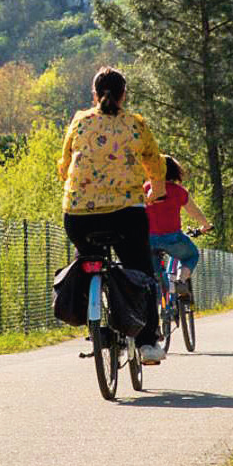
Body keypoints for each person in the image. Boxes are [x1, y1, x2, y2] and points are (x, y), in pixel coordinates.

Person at [57, 67, 170, 364]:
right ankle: (147, 343)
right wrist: (156, 190)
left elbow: (65, 163)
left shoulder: (80, 121)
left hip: (79, 215)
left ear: (94, 95)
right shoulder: (135, 124)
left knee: (87, 260)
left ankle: (94, 323)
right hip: (125, 213)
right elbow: (155, 163)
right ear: (124, 95)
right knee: (141, 271)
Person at [146, 155, 212, 289]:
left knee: (154, 275)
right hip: (173, 238)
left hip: (149, 238)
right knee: (191, 255)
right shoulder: (179, 191)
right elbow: (195, 212)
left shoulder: (147, 188)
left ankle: (157, 301)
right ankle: (181, 282)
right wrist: (206, 225)